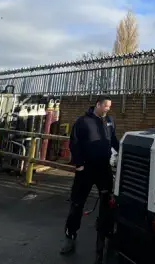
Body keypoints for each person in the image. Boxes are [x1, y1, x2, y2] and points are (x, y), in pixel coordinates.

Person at [60, 97, 119, 255]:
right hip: (86, 170)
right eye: (106, 106)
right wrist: (78, 164)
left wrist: (122, 152)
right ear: (98, 105)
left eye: (109, 107)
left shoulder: (109, 121)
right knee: (77, 203)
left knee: (107, 202)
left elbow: (113, 140)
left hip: (103, 168)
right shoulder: (83, 121)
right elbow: (75, 142)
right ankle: (70, 236)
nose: (108, 109)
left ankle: (105, 231)